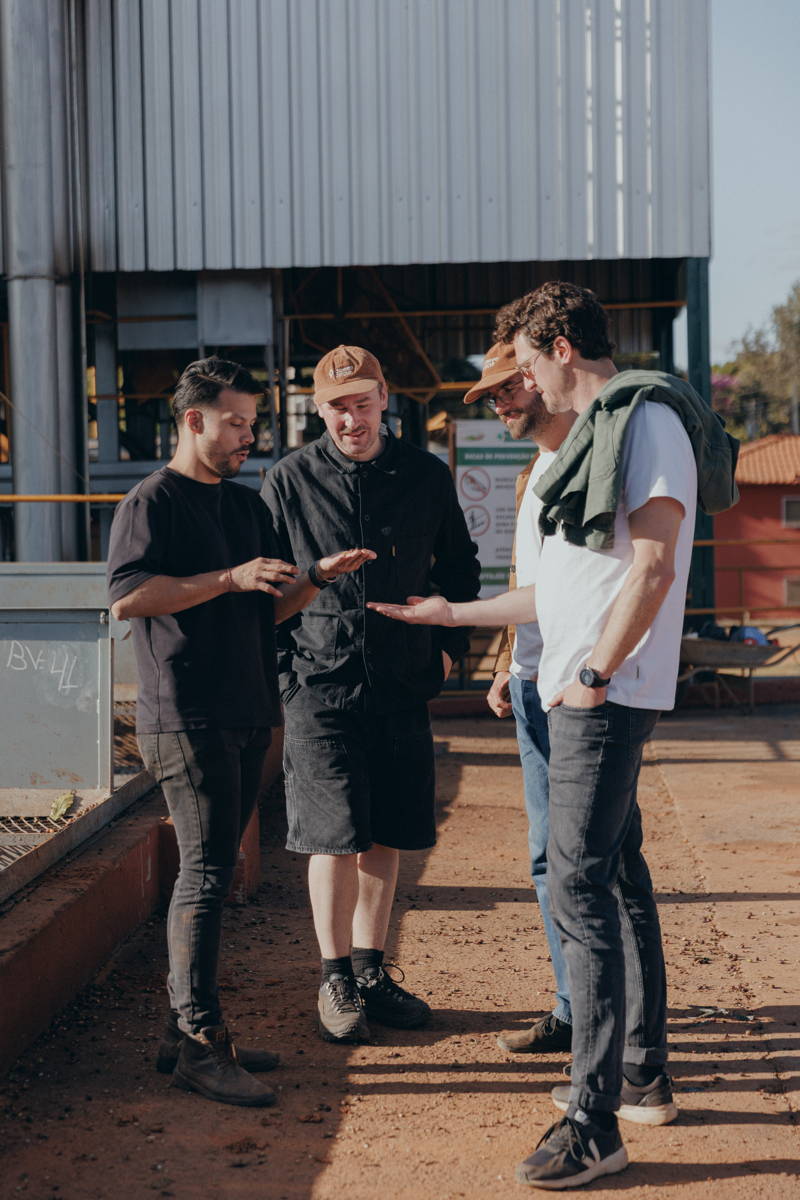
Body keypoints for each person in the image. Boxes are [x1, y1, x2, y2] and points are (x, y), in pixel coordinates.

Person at [368, 282, 738, 1188]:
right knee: (609, 874)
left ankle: (593, 1121)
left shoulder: (642, 420)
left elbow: (654, 564)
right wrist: (454, 613)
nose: (519, 382)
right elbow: (558, 592)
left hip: (601, 698)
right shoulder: (595, 440)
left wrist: (595, 674)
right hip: (581, 687)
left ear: (561, 346)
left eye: (526, 363)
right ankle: (641, 1073)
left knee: (576, 883)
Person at [107, 357, 372, 1107]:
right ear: (193, 421)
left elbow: (269, 607)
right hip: (186, 717)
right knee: (204, 876)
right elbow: (129, 599)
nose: (248, 436)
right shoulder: (150, 502)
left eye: (252, 423)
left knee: (214, 870)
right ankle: (198, 1043)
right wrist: (225, 578)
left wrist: (314, 576)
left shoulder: (245, 506)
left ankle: (180, 1037)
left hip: (248, 709)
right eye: (235, 423)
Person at [260, 345, 480, 1045]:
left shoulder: (424, 476)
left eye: (362, 402)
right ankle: (333, 977)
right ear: (317, 409)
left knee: (386, 833)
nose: (351, 418)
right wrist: (283, 670)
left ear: (385, 398)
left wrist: (450, 647)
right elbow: (268, 582)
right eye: (336, 406)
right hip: (318, 683)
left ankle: (371, 969)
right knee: (332, 835)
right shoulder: (289, 479)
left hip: (401, 679)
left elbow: (461, 564)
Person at [464, 343, 576, 1054]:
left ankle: (615, 1022)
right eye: (493, 395)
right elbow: (523, 574)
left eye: (508, 389)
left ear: (538, 378)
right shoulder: (532, 475)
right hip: (533, 684)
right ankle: (573, 1006)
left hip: (578, 690)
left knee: (593, 859)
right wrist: (508, 661)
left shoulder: (588, 462)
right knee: (544, 856)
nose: (501, 404)